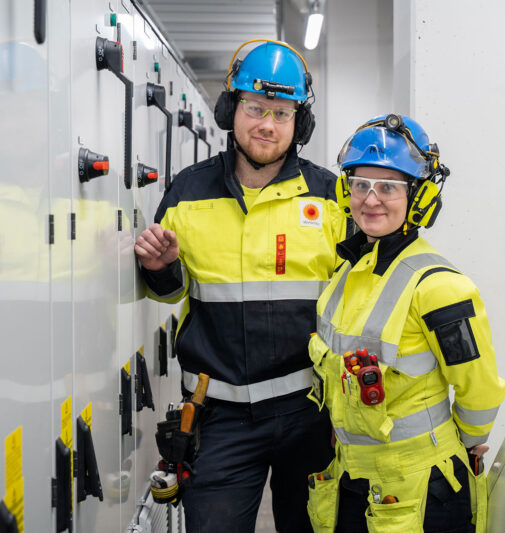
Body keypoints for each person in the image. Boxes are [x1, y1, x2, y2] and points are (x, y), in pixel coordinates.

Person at [134, 39, 347, 532]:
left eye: (281, 112)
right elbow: (169, 294)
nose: (267, 125)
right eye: (255, 107)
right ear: (233, 109)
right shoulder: (187, 192)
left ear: (300, 123)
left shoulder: (332, 197)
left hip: (310, 412)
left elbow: (365, 302)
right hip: (219, 416)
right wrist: (162, 268)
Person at [305, 114, 505, 533]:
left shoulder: (440, 288)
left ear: (418, 198)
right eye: (361, 185)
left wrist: (470, 441)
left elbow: (480, 389)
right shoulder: (346, 276)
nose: (371, 199)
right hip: (353, 479)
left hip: (422, 488)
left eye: (389, 187)